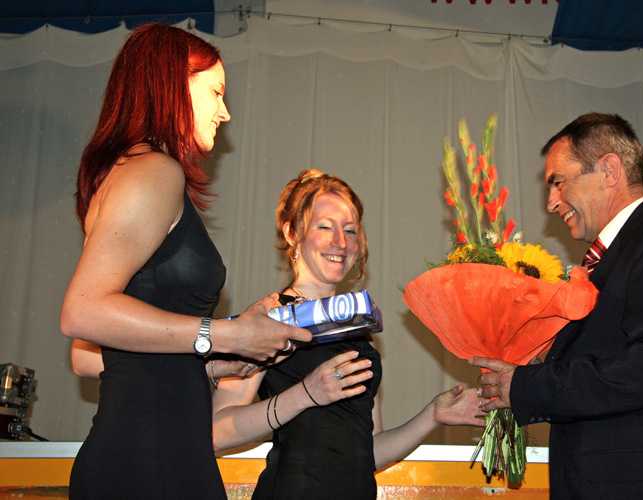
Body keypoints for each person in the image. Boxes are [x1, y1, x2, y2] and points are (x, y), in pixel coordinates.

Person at [60, 24, 311, 500]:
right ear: (171, 84)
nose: (225, 112)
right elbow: (82, 313)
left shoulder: (133, 171)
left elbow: (94, 357)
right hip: (147, 457)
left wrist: (211, 364)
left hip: (155, 448)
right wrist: (227, 334)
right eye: (215, 92)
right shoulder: (155, 170)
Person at [471, 113, 643, 499]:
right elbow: (611, 360)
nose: (551, 203)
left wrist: (528, 386)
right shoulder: (605, 264)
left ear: (609, 170)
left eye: (558, 182)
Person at [210, 169, 486, 499]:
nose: (340, 242)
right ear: (292, 233)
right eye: (325, 227)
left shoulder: (360, 332)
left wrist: (432, 415)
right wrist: (306, 394)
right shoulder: (267, 318)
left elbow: (368, 451)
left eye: (350, 230)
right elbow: (216, 433)